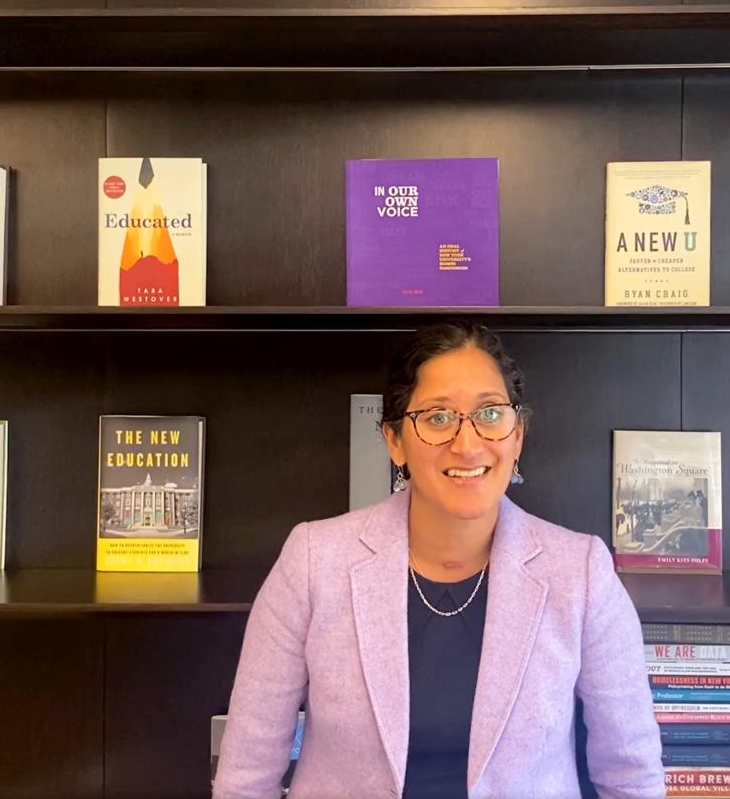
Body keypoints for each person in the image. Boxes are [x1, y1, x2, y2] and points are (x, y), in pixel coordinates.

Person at [214, 322, 662, 798]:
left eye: (490, 413)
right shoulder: (313, 562)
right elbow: (246, 776)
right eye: (437, 417)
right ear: (394, 440)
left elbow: (631, 776)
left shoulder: (580, 573)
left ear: (517, 436)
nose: (467, 444)